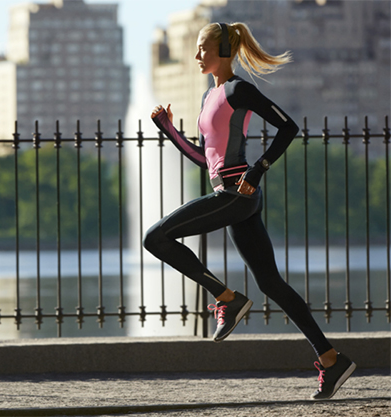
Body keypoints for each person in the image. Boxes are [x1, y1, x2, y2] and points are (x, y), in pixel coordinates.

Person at [145, 22, 356, 400]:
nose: (197, 56)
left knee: (154, 238)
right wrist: (169, 130)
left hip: (237, 193)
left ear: (223, 50)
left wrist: (259, 169)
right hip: (230, 195)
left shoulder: (238, 90)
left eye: (203, 49)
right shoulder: (210, 97)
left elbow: (287, 127)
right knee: (271, 283)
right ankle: (331, 359)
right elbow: (203, 158)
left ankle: (227, 299)